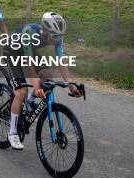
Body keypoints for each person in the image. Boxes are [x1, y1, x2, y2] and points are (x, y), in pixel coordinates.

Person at [5, 12, 82, 151]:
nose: (57, 39)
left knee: (48, 77)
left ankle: (29, 103)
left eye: (60, 36)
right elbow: (28, 64)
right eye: (55, 36)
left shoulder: (57, 36)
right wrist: (36, 87)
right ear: (45, 30)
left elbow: (61, 62)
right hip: (12, 51)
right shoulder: (30, 33)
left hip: (28, 51)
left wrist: (71, 84)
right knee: (22, 91)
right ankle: (12, 131)